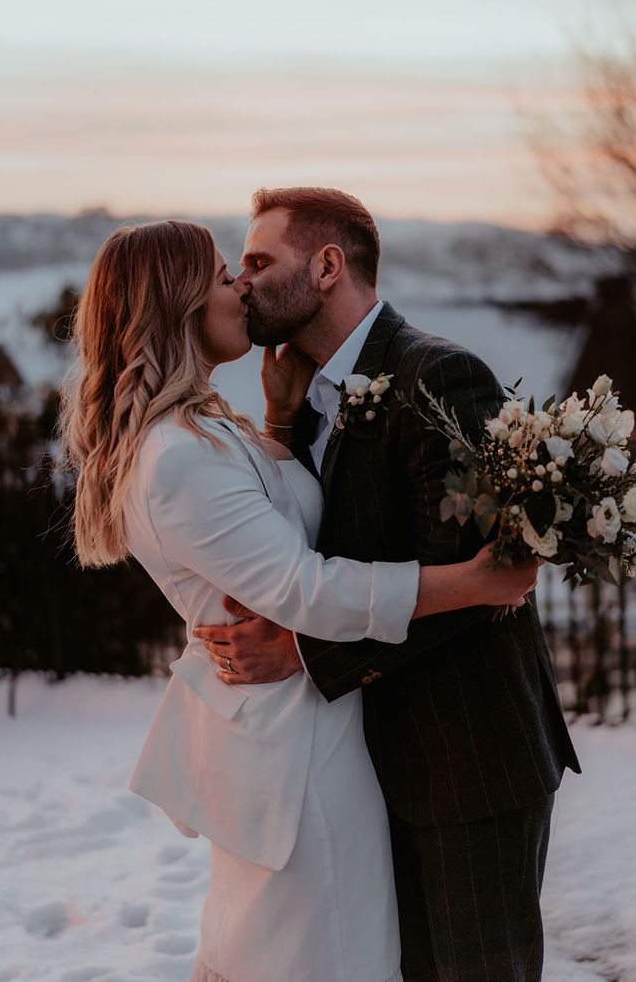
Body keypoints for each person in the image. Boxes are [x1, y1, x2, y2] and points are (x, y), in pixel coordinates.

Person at [59, 218, 542, 982]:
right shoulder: (179, 456)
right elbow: (304, 588)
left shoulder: (201, 430)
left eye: (248, 266)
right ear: (179, 301)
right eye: (225, 273)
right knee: (326, 957)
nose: (240, 286)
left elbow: (275, 533)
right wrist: (476, 582)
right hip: (298, 753)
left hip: (303, 734)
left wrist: (281, 417)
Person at [198, 187, 582, 982]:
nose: (243, 281)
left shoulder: (438, 374)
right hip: (382, 763)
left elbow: (482, 586)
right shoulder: (307, 394)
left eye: (260, 262)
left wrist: (302, 651)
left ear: (329, 265)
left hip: (469, 759)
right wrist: (278, 423)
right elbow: (314, 539)